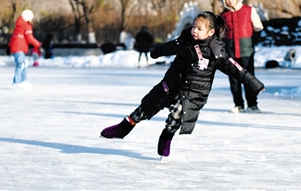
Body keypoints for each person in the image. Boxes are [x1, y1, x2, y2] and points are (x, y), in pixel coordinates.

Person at [100, 11, 265, 157]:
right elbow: (169, 47)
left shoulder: (217, 53)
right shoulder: (184, 41)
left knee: (177, 116)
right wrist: (156, 52)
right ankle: (124, 126)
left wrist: (255, 84)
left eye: (199, 29)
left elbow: (237, 70)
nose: (194, 30)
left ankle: (166, 136)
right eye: (194, 26)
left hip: (193, 94)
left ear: (211, 32)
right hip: (171, 84)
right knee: (146, 107)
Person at [220, 0, 264, 113]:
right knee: (234, 78)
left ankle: (252, 104)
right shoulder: (223, 15)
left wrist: (252, 43)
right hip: (230, 51)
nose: (230, 0)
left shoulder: (249, 10)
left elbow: (258, 28)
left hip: (246, 50)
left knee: (248, 77)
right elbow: (221, 34)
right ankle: (238, 104)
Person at [8, 9, 42, 90]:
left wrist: (10, 46)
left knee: (23, 64)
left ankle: (22, 81)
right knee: (20, 65)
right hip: (19, 48)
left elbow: (13, 38)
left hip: (17, 48)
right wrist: (38, 44)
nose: (31, 20)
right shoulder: (26, 26)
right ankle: (17, 82)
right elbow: (30, 38)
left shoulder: (18, 25)